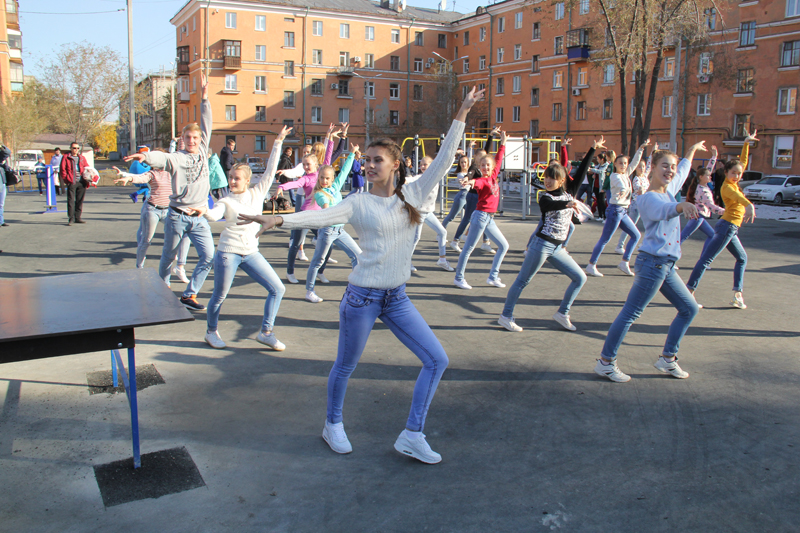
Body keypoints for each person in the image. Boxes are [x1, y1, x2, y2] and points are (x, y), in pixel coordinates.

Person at [237, 87, 483, 464]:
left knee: (437, 360)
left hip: (397, 298)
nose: (368, 166)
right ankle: (332, 423)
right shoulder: (358, 202)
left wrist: (463, 110)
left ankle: (412, 434)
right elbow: (319, 217)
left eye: (376, 160)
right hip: (362, 299)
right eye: (365, 160)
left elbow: (446, 159)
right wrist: (278, 218)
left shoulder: (414, 194)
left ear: (395, 165)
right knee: (346, 365)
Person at [594, 142, 707, 383]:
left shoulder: (668, 189)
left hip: (665, 266)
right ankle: (605, 362)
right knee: (630, 314)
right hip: (652, 264)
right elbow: (665, 210)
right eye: (665, 166)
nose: (670, 170)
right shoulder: (647, 199)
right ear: (652, 168)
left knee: (689, 309)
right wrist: (682, 205)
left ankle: (667, 358)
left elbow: (685, 171)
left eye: (672, 167)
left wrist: (692, 150)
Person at [124, 74, 213, 311]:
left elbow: (206, 123)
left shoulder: (203, 151)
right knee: (168, 256)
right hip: (177, 215)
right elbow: (161, 157)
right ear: (182, 140)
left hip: (199, 217)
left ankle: (189, 294)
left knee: (209, 256)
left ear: (200, 140)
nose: (192, 141)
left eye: (195, 137)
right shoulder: (176, 158)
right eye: (188, 138)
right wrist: (144, 156)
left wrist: (204, 98)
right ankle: (163, 288)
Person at [202, 127, 291, 351]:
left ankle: (266, 333)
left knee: (278, 289)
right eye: (230, 178)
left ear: (247, 180)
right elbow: (214, 215)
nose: (232, 181)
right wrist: (203, 210)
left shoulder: (256, 193)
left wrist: (278, 141)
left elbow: (271, 171)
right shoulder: (226, 200)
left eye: (236, 178)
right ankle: (211, 332)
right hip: (228, 252)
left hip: (251, 252)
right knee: (220, 295)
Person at [499, 162, 587, 333]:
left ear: (561, 181)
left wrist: (593, 149)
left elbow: (582, 171)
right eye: (546, 177)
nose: (548, 180)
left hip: (557, 248)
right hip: (541, 245)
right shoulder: (546, 197)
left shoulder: (569, 193)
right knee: (522, 281)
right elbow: (548, 207)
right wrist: (567, 205)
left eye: (552, 178)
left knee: (580, 278)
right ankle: (505, 316)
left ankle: (563, 313)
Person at [686, 130, 758, 310]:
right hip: (726, 227)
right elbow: (739, 198)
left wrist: (746, 143)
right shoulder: (728, 187)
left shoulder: (734, 183)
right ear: (726, 172)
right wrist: (749, 205)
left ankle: (737, 295)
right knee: (706, 260)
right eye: (733, 173)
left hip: (731, 228)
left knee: (742, 258)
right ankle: (689, 292)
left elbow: (743, 161)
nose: (737, 175)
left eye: (739, 173)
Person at [304, 147, 362, 303]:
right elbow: (324, 204)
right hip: (327, 231)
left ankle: (358, 286)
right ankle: (309, 291)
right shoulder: (319, 193)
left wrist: (351, 154)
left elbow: (344, 172)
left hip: (340, 230)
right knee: (318, 261)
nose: (324, 181)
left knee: (358, 255)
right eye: (322, 178)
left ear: (332, 179)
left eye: (327, 178)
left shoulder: (335, 187)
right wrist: (326, 208)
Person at [453, 130, 508, 289]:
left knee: (503, 246)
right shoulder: (482, 180)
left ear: (492, 167)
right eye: (482, 165)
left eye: (488, 165)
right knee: (468, 249)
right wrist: (468, 182)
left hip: (489, 218)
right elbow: (475, 183)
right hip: (480, 217)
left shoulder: (493, 176)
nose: (485, 167)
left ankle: (493, 277)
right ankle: (459, 277)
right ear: (480, 167)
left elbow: (498, 158)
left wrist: (502, 142)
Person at [585, 141, 649, 278]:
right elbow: (621, 186)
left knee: (636, 235)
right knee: (605, 239)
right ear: (615, 164)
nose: (624, 166)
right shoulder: (615, 176)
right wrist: (623, 191)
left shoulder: (626, 174)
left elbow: (634, 162)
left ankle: (624, 262)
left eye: (625, 163)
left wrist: (641, 149)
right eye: (621, 163)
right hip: (615, 210)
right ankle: (591, 265)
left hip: (622, 211)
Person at [409, 156, 454, 272]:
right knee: (415, 238)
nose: (423, 167)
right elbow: (410, 180)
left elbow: (446, 168)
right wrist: (403, 180)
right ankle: (406, 262)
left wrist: (452, 155)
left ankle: (442, 260)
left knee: (443, 232)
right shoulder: (420, 178)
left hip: (428, 213)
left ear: (431, 165)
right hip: (418, 212)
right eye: (421, 164)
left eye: (425, 164)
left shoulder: (436, 176)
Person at [616, 144, 656, 253]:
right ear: (636, 168)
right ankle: (620, 245)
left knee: (650, 225)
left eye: (642, 166)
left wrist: (653, 153)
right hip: (636, 205)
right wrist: (648, 192)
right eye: (639, 166)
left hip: (645, 205)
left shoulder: (645, 176)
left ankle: (645, 244)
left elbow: (649, 165)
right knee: (630, 226)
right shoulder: (636, 179)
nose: (642, 168)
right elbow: (640, 190)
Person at [680, 145, 721, 250]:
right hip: (697, 216)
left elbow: (708, 170)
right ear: (701, 177)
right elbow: (711, 206)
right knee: (682, 237)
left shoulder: (703, 185)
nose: (710, 177)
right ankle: (669, 256)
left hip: (700, 216)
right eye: (708, 176)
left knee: (712, 236)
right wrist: (725, 212)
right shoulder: (703, 191)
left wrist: (714, 157)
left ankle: (704, 260)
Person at [60, 142, 90, 226]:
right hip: (72, 181)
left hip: (82, 181)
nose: (75, 150)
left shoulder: (81, 158)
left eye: (77, 148)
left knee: (79, 200)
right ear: (70, 148)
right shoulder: (66, 157)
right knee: (71, 200)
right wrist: (67, 180)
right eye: (74, 148)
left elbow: (87, 167)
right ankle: (71, 218)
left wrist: (89, 177)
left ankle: (78, 217)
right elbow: (62, 170)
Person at [0, 146, 9, 227]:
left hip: (1, 183)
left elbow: (7, 152)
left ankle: (1, 221)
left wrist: (2, 146)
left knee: (1, 204)